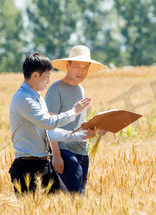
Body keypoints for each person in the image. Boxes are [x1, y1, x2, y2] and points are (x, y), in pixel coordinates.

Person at [8, 52, 96, 194]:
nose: (49, 80)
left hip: (43, 163)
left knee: (62, 204)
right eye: (48, 75)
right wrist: (73, 111)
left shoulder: (37, 98)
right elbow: (48, 123)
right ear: (36, 75)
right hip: (27, 166)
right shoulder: (23, 99)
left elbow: (51, 131)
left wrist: (80, 135)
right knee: (29, 213)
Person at [46, 45, 107, 195]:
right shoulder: (56, 89)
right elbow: (49, 124)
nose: (81, 71)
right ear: (68, 65)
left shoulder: (81, 89)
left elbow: (79, 123)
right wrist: (56, 154)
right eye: (77, 66)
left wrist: (96, 129)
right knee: (74, 196)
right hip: (65, 151)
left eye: (85, 67)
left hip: (82, 150)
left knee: (79, 197)